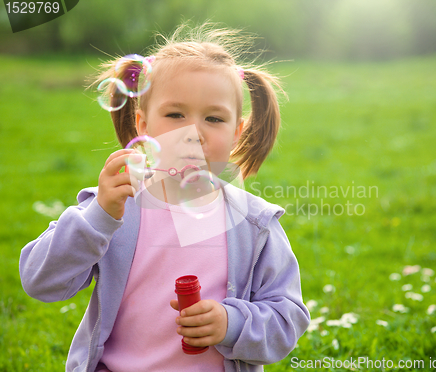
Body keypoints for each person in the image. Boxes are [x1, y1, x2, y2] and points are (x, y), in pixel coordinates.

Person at [19, 24, 310, 372]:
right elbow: (40, 280)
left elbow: (287, 319)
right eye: (175, 114)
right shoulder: (115, 206)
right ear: (143, 124)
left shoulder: (254, 224)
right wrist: (98, 217)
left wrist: (230, 324)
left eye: (214, 118)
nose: (194, 133)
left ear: (237, 133)